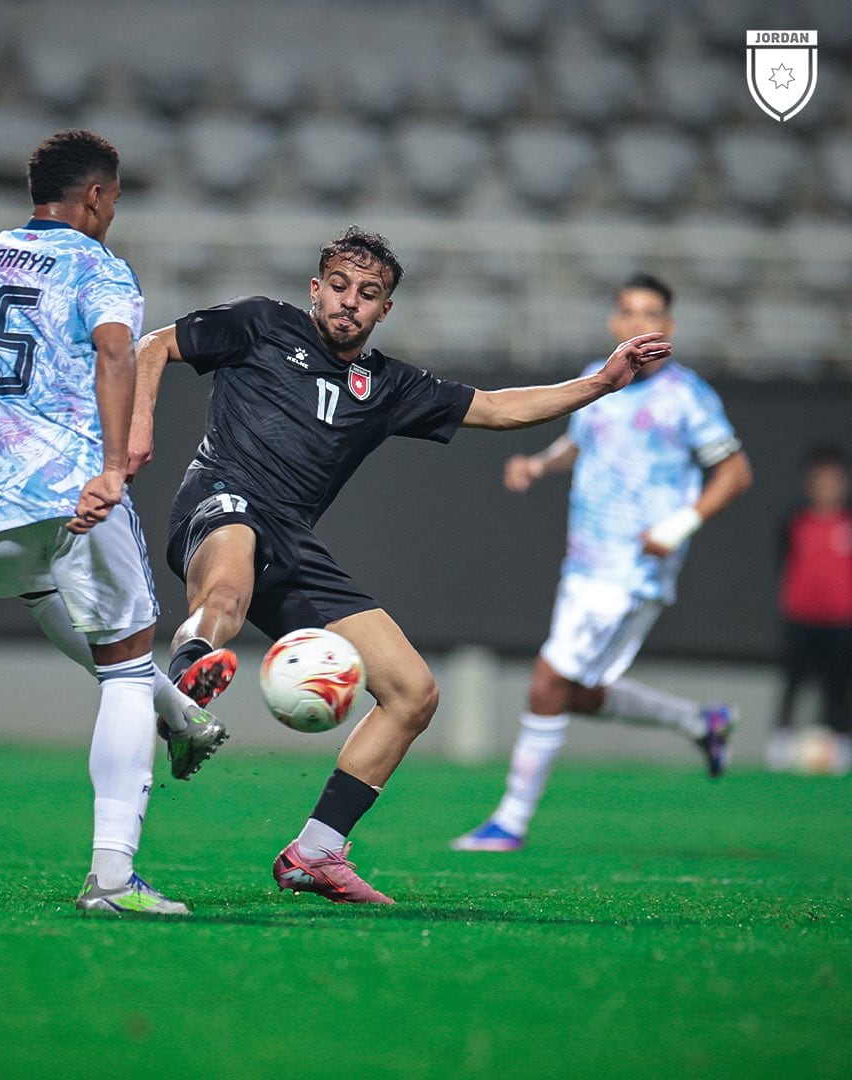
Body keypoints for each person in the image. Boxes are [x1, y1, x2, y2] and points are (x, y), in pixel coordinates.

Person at [131, 227, 673, 904]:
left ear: (385, 308)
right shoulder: (260, 324)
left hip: (292, 544)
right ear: (315, 288)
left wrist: (603, 381)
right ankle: (187, 687)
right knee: (229, 586)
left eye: (369, 294)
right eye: (338, 287)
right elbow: (155, 346)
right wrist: (140, 428)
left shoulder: (385, 385)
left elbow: (499, 408)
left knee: (413, 692)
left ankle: (316, 852)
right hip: (218, 502)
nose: (349, 303)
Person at [0, 129, 226, 917]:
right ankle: (114, 878)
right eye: (114, 200)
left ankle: (177, 712)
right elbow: (117, 353)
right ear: (95, 197)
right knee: (125, 661)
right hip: (69, 490)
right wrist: (114, 469)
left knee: (49, 603)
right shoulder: (97, 266)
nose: (113, 213)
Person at [452, 273, 753, 853]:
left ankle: (510, 821)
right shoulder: (604, 376)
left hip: (632, 566)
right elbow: (580, 440)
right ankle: (702, 723)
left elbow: (735, 473)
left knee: (548, 680)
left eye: (652, 314)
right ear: (615, 323)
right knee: (576, 689)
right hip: (586, 561)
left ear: (668, 327)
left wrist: (678, 525)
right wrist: (540, 464)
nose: (640, 323)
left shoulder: (687, 396)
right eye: (629, 313)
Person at [765, 445, 852, 774]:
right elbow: (784, 563)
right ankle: (781, 741)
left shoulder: (848, 521)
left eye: (833, 480)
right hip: (801, 617)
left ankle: (841, 743)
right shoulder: (795, 522)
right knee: (793, 681)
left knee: (838, 685)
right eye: (821, 479)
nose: (827, 486)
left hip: (842, 621)